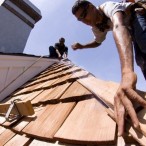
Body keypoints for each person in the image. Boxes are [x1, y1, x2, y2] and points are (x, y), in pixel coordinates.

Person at [71, 0, 146, 136]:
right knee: (141, 61)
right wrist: (83, 46)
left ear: (91, 7)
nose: (84, 21)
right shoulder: (96, 27)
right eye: (80, 20)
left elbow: (118, 25)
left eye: (84, 14)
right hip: (132, 30)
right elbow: (97, 41)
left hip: (137, 16)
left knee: (144, 43)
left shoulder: (108, 7)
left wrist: (127, 72)